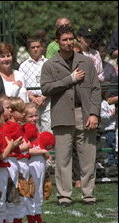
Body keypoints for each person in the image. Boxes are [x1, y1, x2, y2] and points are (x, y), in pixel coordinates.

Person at [41, 25, 101, 206]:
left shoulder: (86, 62)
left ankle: (88, 195)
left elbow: (96, 90)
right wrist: (70, 79)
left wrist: (94, 113)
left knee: (88, 157)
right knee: (63, 158)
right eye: (64, 40)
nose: (68, 42)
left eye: (70, 39)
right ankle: (64, 196)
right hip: (62, 114)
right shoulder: (50, 64)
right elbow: (46, 88)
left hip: (84, 113)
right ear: (57, 42)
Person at [19, 37, 51, 132]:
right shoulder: (23, 66)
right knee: (33, 129)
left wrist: (43, 97)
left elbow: (52, 83)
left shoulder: (48, 63)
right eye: (33, 47)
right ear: (29, 49)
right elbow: (22, 86)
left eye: (38, 46)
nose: (36, 49)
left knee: (47, 129)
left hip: (46, 100)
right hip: (31, 102)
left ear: (42, 48)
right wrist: (32, 97)